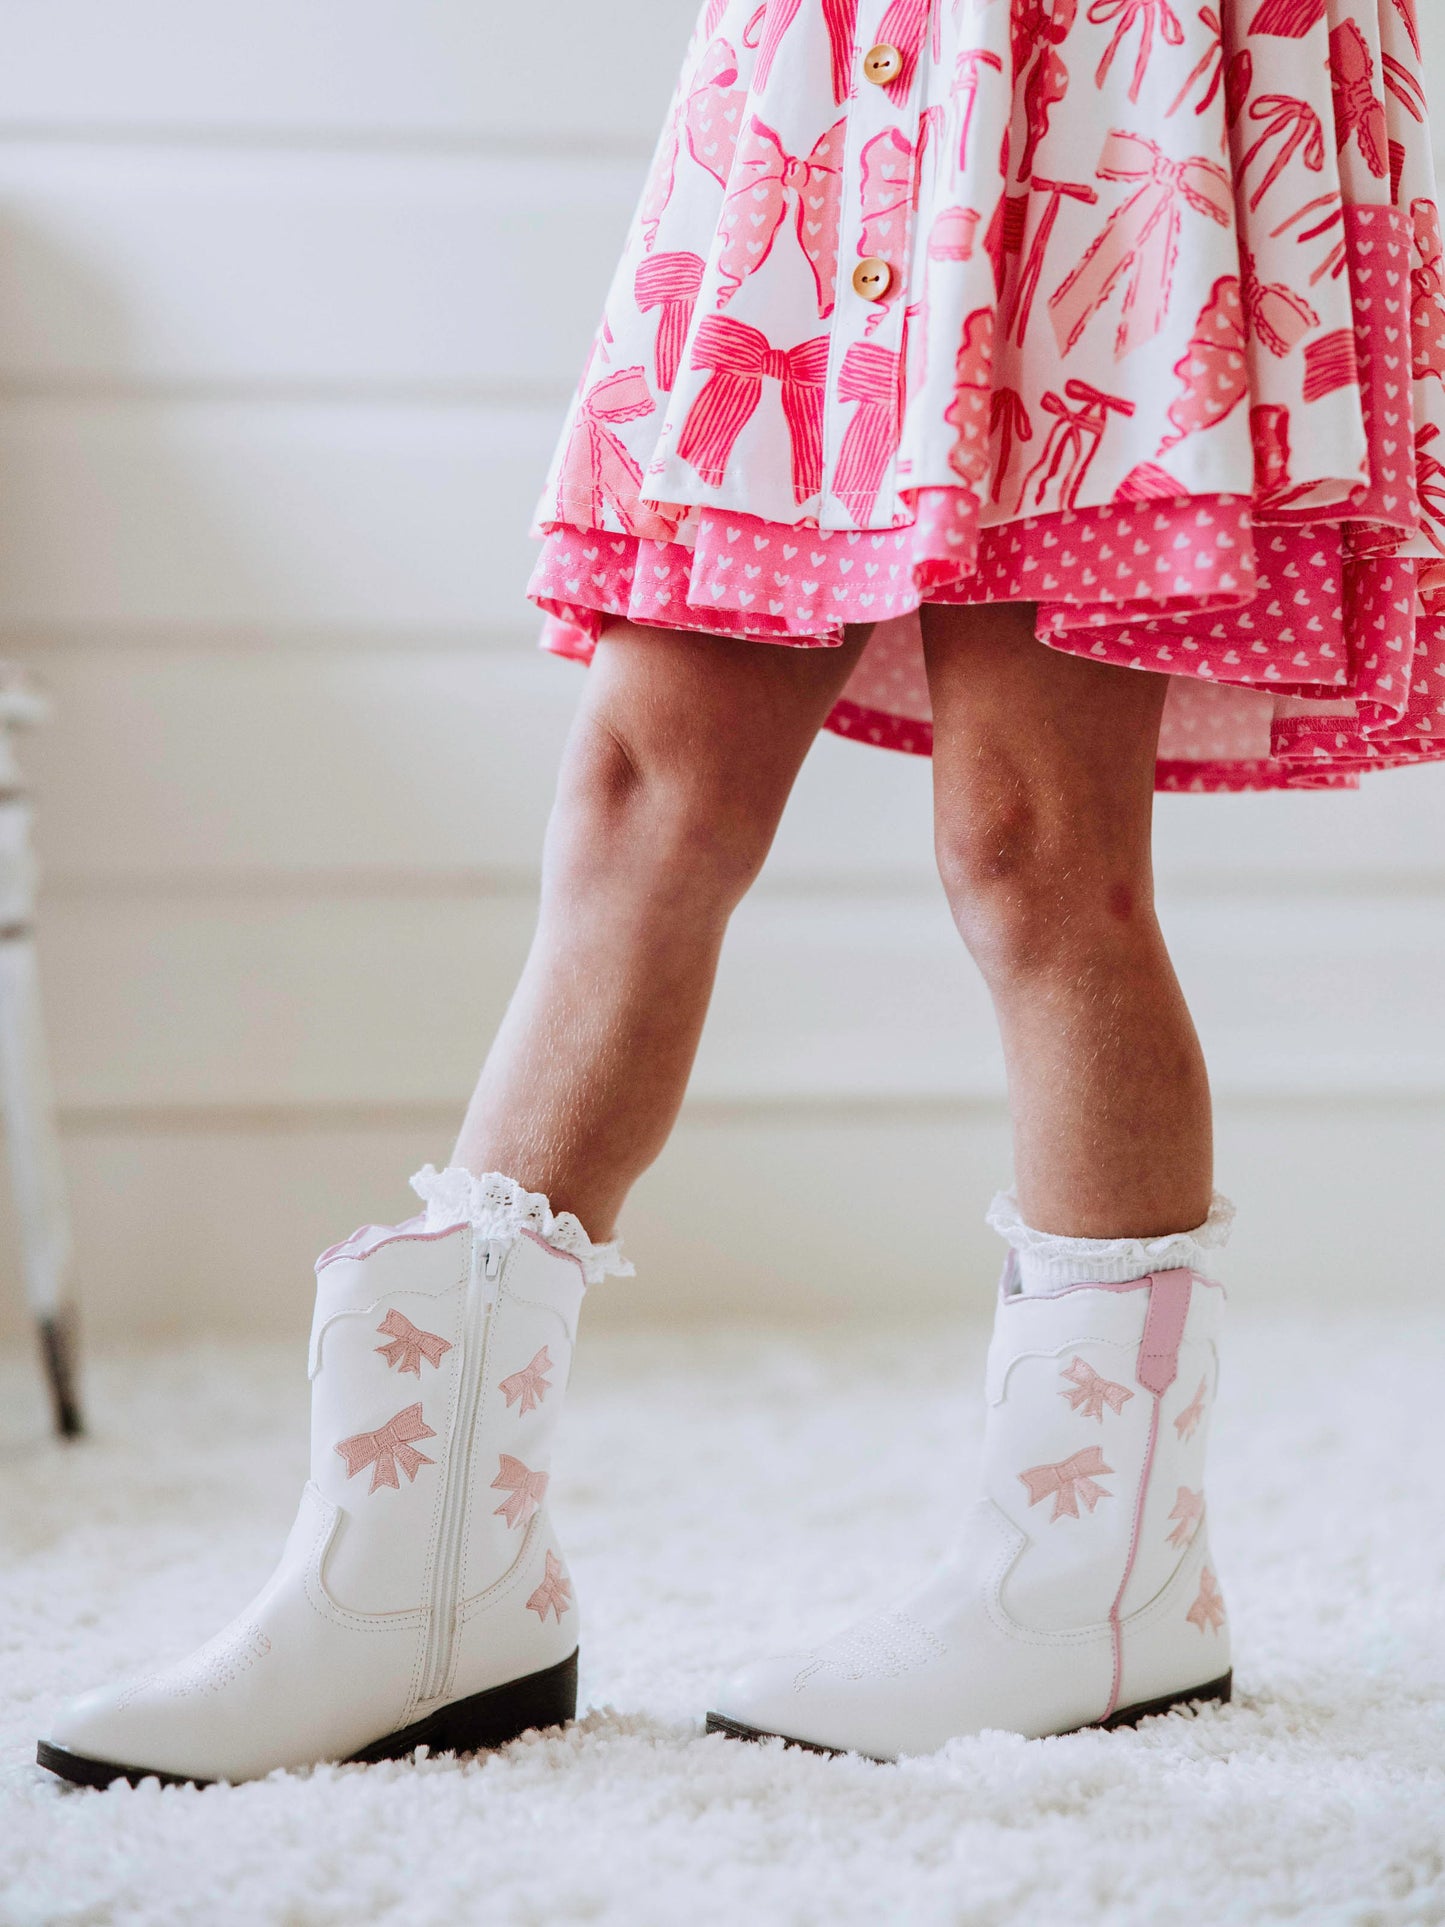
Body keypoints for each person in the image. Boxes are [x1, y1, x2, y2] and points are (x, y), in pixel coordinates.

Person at [40, 0, 1445, 1786]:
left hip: (1100, 66)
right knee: (638, 779)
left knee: (1032, 836)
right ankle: (421, 1577)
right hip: (847, 67)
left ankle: (1097, 1582)